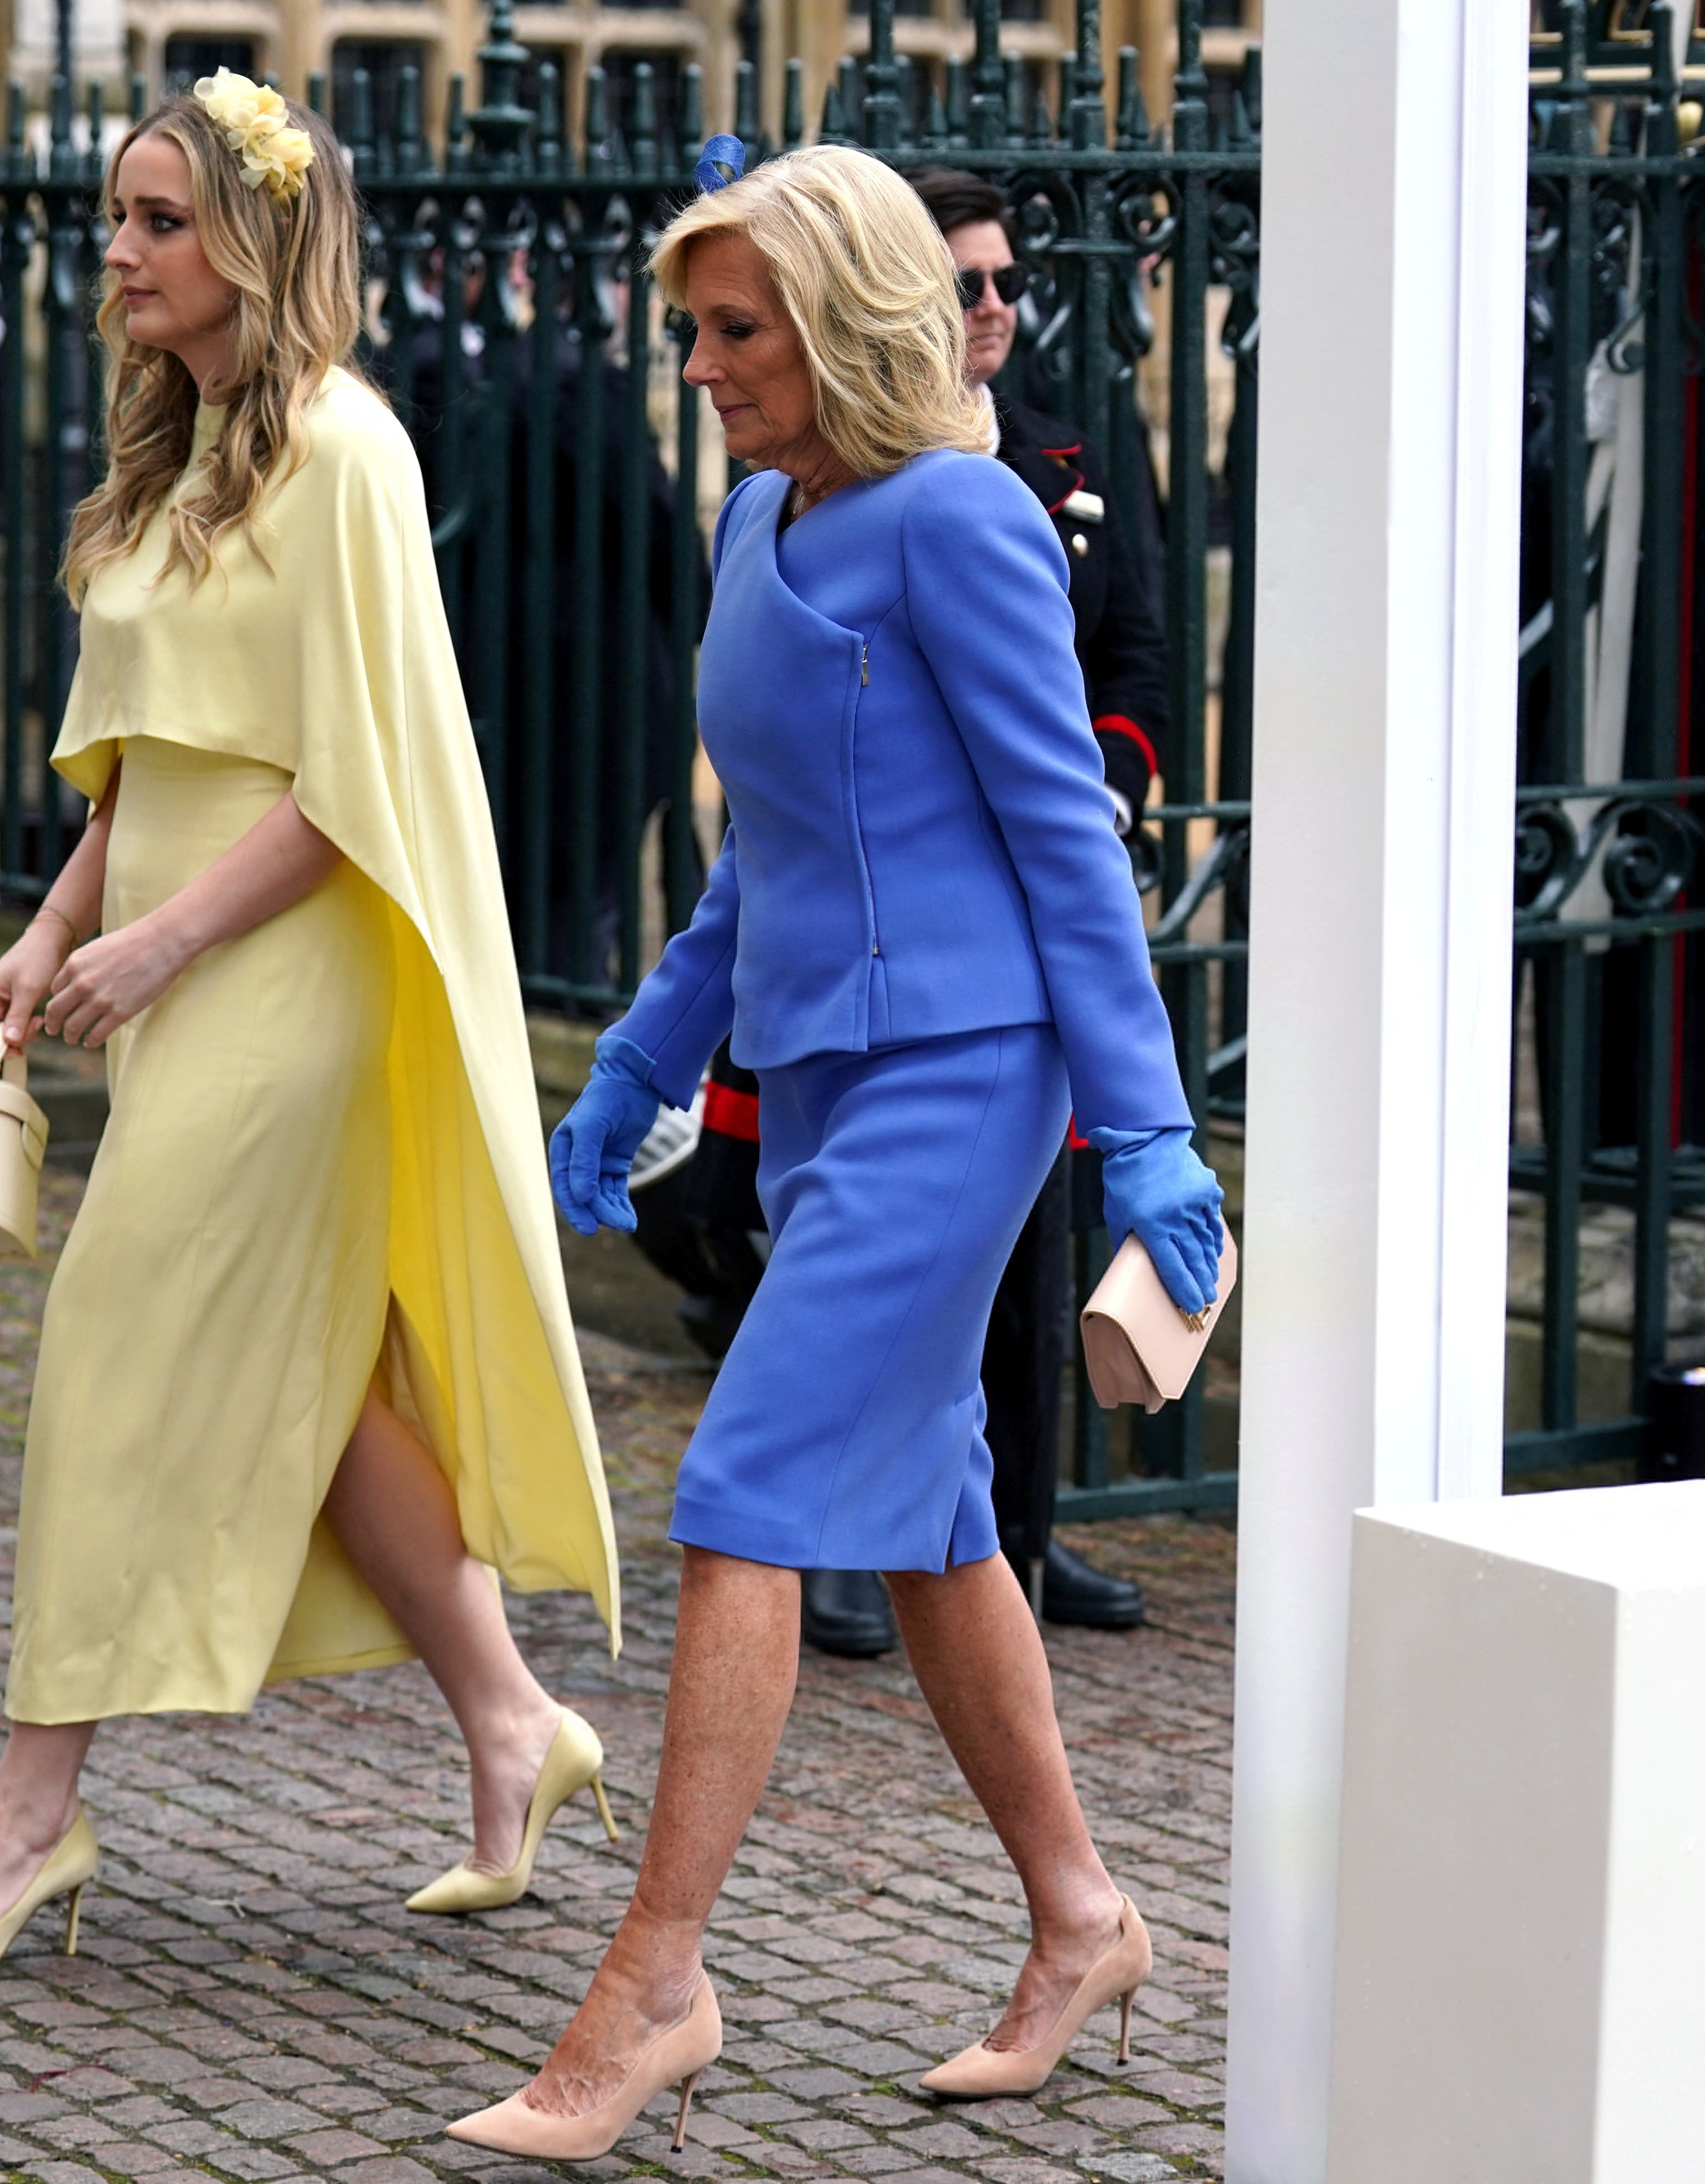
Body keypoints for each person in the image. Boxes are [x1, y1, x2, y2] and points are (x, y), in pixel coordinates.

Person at [445, 144, 1223, 2160]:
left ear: (843, 320)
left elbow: (1068, 835)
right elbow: (756, 858)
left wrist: (1144, 1133)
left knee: (746, 1486)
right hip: (815, 1084)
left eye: (737, 328)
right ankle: (1081, 1919)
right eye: (691, 329)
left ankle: (653, 1986)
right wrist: (636, 1070)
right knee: (938, 1520)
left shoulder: (960, 518)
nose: (699, 364)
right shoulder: (752, 520)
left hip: (969, 1079)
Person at [0, 74, 620, 1972]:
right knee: (328, 1387)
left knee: (114, 1333)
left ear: (258, 243)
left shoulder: (346, 454)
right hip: (182, 953)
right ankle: (515, 1727)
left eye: (160, 223)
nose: (118, 253)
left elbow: (350, 779)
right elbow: (146, 774)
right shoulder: (170, 458)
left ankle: (30, 1816)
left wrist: (164, 948)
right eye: (116, 218)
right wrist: (53, 934)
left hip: (297, 973)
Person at [788, 166, 1172, 1656]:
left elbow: (1133, 647)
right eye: (967, 284)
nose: (998, 308)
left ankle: (1018, 1529)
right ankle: (832, 1537)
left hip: (1043, 907)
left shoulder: (1070, 440)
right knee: (864, 1246)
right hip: (894, 922)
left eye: (1009, 282)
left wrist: (1112, 795)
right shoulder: (829, 483)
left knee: (1032, 1246)